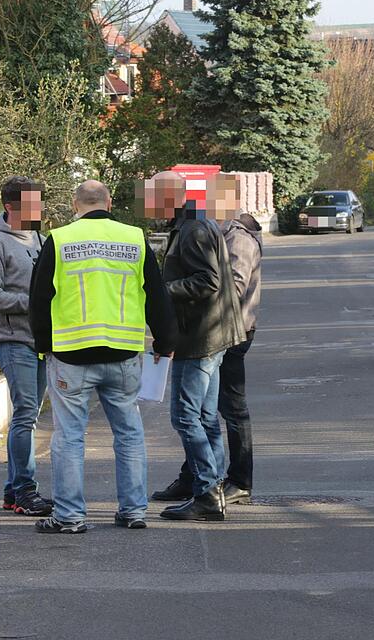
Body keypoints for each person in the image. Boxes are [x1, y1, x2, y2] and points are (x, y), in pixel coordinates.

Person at [29, 180, 177, 534]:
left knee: (69, 437)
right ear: (109, 202)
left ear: (74, 203)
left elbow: (39, 298)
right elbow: (156, 294)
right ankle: (133, 511)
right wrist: (165, 340)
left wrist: (42, 344)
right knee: (129, 434)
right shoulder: (134, 238)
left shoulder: (60, 240)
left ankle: (70, 516)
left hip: (71, 355)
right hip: (123, 354)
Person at [153, 175, 263, 506]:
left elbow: (219, 285)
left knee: (195, 414)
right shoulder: (193, 227)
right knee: (204, 415)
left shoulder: (206, 231)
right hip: (210, 333)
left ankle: (217, 486)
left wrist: (159, 292)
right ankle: (207, 484)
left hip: (213, 334)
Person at [0, 176, 52, 517]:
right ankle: (25, 489)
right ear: (11, 207)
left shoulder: (38, 239)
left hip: (39, 341)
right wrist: (33, 303)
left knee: (30, 415)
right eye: (32, 204)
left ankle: (14, 491)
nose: (39, 210)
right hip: (13, 342)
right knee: (25, 416)